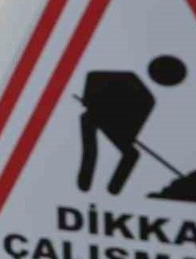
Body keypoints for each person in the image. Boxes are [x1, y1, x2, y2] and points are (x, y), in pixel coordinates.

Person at [76, 55, 186, 195]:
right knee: (91, 149)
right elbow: (93, 77)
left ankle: (112, 189)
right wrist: (88, 97)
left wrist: (130, 134)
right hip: (93, 115)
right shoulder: (131, 80)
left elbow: (139, 116)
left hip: (114, 122)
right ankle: (85, 185)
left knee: (131, 154)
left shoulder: (146, 98)